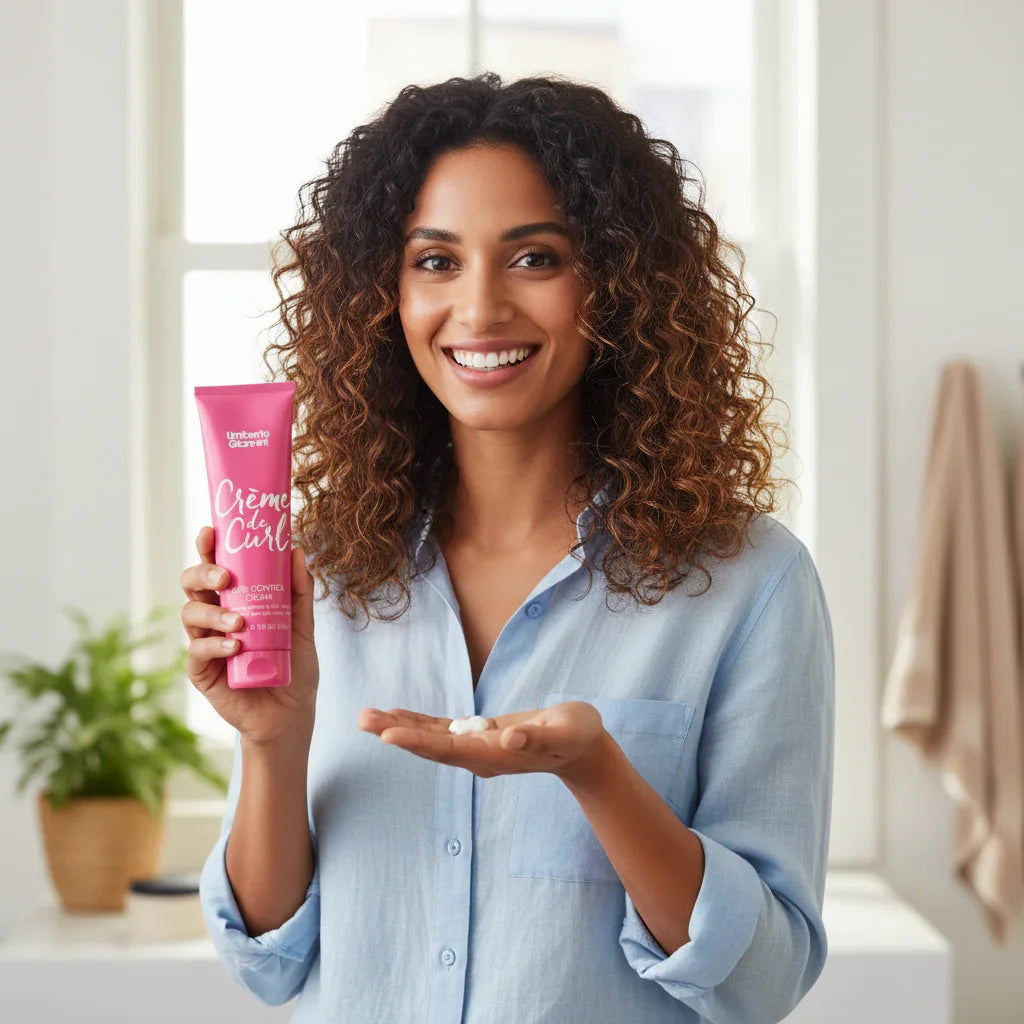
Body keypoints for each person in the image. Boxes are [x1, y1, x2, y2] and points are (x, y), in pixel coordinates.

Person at [181, 72, 835, 1024]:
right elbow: (271, 962)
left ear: (618, 283)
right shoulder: (315, 572)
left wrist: (597, 775)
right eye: (435, 262)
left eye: (534, 257)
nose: (480, 311)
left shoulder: (748, 584)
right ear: (383, 292)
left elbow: (761, 981)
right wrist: (273, 746)